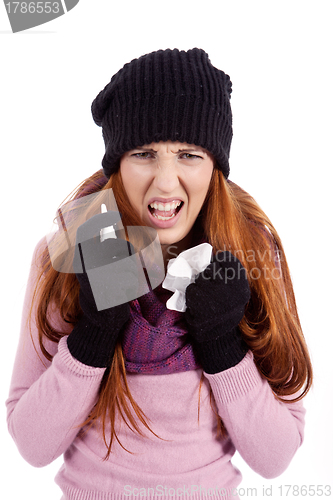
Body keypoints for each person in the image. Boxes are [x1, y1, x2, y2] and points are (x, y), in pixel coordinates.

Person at [6, 48, 312, 500]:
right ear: (116, 164)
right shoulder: (66, 256)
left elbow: (275, 457)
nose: (166, 182)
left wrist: (223, 345)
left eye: (189, 154)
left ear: (215, 167)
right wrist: (93, 335)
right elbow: (31, 445)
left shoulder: (253, 256)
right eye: (144, 153)